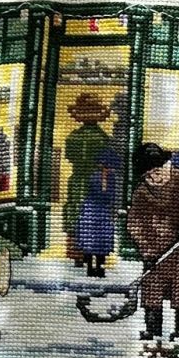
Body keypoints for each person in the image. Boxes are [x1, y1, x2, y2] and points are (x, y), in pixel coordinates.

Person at [126, 141, 179, 341]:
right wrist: (146, 249)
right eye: (148, 176)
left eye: (157, 172)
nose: (154, 179)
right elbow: (134, 222)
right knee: (152, 291)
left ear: (166, 165)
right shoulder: (141, 193)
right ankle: (152, 329)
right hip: (155, 253)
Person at [60, 93, 113, 264]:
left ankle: (77, 254)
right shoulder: (104, 138)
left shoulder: (73, 137)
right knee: (96, 217)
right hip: (97, 181)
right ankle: (94, 251)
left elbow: (69, 156)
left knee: (75, 212)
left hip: (77, 180)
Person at [75, 146, 120, 279]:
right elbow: (98, 193)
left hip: (103, 211)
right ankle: (90, 267)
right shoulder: (95, 177)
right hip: (92, 210)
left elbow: (110, 196)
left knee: (103, 241)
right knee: (90, 239)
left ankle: (100, 267)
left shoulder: (112, 178)